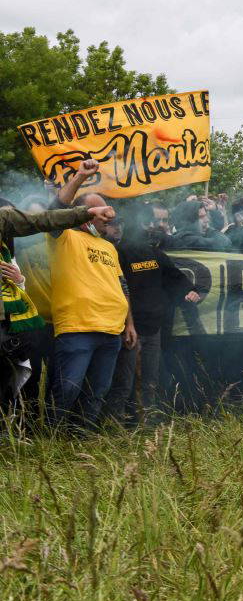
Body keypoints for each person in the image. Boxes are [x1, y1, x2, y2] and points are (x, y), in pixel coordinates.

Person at [1, 193, 114, 412]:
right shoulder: (20, 246)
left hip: (49, 323)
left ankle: (35, 430)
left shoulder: (60, 241)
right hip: (31, 323)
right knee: (31, 381)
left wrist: (19, 280)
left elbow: (48, 219)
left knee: (42, 380)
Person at [44, 160, 136, 428]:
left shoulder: (109, 247)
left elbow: (122, 286)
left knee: (97, 391)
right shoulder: (63, 237)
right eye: (96, 211)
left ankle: (81, 442)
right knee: (67, 389)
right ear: (82, 213)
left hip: (111, 331)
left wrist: (129, 324)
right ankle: (50, 441)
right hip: (77, 327)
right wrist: (80, 177)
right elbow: (54, 211)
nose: (105, 217)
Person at [100, 206, 202, 425]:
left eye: (120, 224)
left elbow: (173, 276)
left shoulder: (154, 253)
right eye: (113, 224)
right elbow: (118, 291)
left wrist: (188, 290)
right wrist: (129, 324)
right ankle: (114, 423)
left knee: (150, 379)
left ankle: (145, 419)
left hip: (153, 328)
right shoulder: (115, 254)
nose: (117, 228)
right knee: (124, 381)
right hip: (127, 328)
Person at [168, 200, 233, 251]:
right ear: (188, 220)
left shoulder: (195, 236)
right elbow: (224, 242)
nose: (207, 220)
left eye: (205, 216)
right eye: (201, 217)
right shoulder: (186, 239)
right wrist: (209, 229)